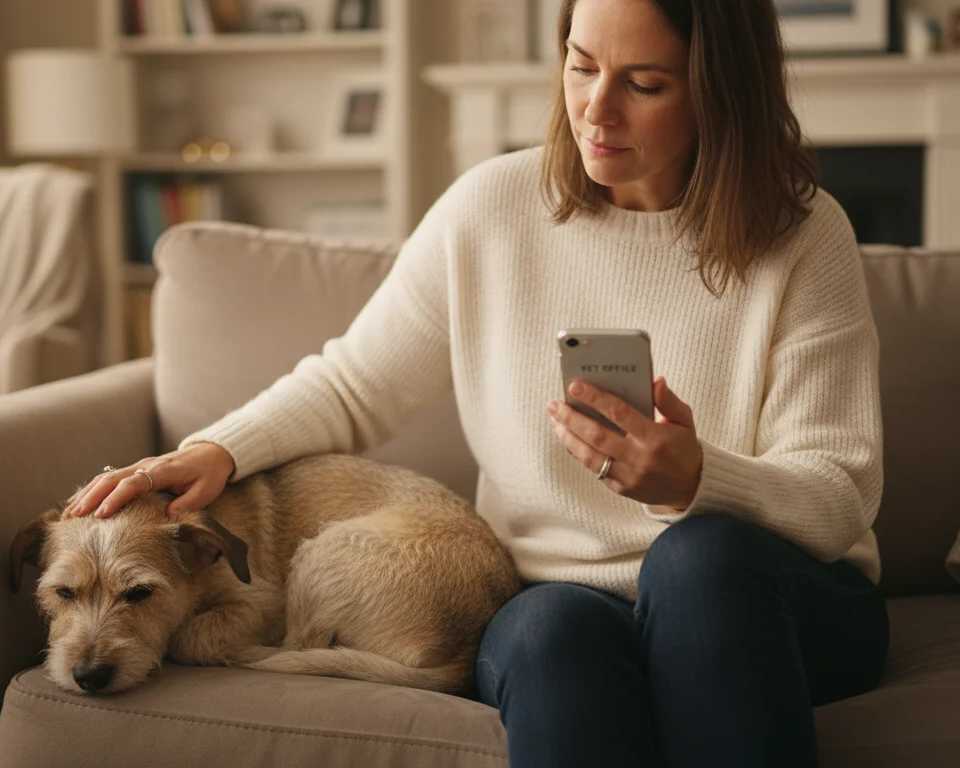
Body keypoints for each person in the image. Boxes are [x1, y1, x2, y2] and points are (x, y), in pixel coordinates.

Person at [64, 0, 890, 764]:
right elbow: (355, 384)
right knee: (548, 634)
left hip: (773, 604)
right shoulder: (492, 209)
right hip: (566, 598)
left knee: (694, 561)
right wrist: (219, 451)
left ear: (721, 92)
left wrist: (701, 480)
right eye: (579, 64)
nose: (596, 108)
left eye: (644, 83)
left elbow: (839, 492)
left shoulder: (804, 236)